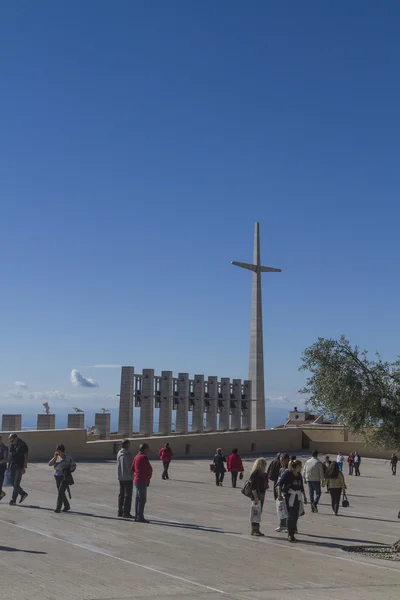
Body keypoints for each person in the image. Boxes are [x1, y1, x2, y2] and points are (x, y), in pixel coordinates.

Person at [277, 459, 307, 543]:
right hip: (289, 497)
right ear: (296, 466)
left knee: (296, 515)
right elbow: (280, 484)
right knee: (290, 516)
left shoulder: (299, 475)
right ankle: (290, 534)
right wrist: (279, 495)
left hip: (297, 497)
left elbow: (301, 487)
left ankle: (293, 533)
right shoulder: (288, 474)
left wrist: (304, 497)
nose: (301, 467)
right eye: (300, 466)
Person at [48, 444, 76, 513]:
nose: (57, 452)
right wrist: (55, 457)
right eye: (57, 451)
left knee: (61, 491)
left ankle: (58, 507)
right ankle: (67, 506)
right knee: (61, 492)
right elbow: (50, 464)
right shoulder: (57, 457)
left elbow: (74, 466)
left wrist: (68, 470)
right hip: (57, 476)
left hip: (65, 476)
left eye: (59, 451)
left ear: (62, 451)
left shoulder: (68, 458)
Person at [132, 443, 153, 522]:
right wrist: (148, 476)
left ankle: (137, 515)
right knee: (142, 499)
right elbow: (149, 469)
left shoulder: (136, 457)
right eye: (147, 449)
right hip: (142, 480)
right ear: (144, 449)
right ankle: (140, 517)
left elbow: (133, 468)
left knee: (138, 499)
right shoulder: (144, 457)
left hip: (136, 480)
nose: (148, 451)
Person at [7, 433, 29, 506]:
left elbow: (25, 457)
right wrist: (8, 464)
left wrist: (24, 467)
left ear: (16, 438)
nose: (11, 442)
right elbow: (11, 455)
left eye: (12, 441)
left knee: (16, 483)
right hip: (13, 465)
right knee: (12, 482)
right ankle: (23, 493)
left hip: (19, 466)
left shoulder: (23, 445)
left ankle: (13, 500)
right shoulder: (13, 444)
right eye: (10, 441)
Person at [249, 457, 268, 537]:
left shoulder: (260, 473)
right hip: (257, 494)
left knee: (258, 512)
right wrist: (256, 497)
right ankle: (254, 529)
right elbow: (253, 487)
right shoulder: (256, 474)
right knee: (256, 512)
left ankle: (256, 529)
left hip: (261, 493)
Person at [117, 440, 134, 518]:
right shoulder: (128, 454)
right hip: (128, 477)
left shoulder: (119, 453)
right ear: (127, 445)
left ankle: (120, 511)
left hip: (121, 477)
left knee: (121, 494)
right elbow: (132, 466)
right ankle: (126, 512)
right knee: (128, 496)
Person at [275, 453, 290, 532]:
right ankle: (282, 525)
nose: (281, 462)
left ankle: (290, 527)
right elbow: (279, 481)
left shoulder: (290, 469)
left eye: (282, 460)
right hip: (281, 492)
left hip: (288, 492)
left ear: (287, 460)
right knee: (281, 509)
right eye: (280, 461)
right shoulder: (281, 469)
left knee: (288, 510)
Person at [0, 436, 9, 501]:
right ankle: (2, 493)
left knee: (0, 482)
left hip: (2, 467)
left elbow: (5, 459)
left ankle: (1, 493)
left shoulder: (5, 447)